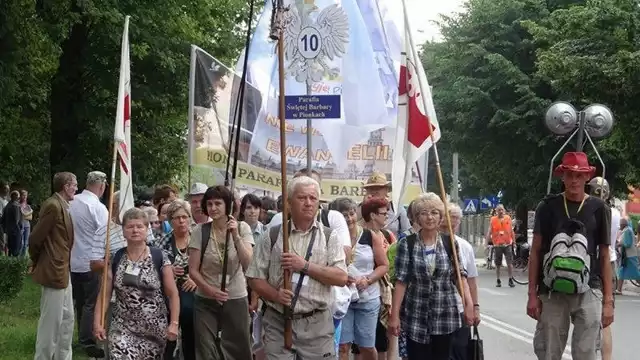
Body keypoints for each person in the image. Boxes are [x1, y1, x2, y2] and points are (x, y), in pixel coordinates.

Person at [247, 176, 348, 360]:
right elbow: (254, 277)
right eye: (302, 198)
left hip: (317, 324)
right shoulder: (273, 234)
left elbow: (341, 278)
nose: (308, 203)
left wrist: (305, 266)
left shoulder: (328, 236)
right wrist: (275, 295)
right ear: (289, 203)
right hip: (278, 320)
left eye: (313, 198)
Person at [528, 152, 613, 360]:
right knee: (549, 352)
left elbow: (604, 255)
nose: (574, 180)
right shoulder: (547, 207)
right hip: (552, 290)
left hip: (590, 288)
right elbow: (536, 251)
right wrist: (532, 294)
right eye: (569, 175)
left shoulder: (599, 208)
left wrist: (608, 301)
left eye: (579, 175)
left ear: (586, 178)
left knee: (587, 352)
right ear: (562, 177)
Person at [388, 192, 473, 360]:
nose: (429, 217)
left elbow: (460, 276)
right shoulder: (407, 244)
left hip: (445, 316)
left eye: (434, 212)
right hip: (416, 316)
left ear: (441, 216)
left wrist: (470, 304)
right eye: (424, 213)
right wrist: (394, 316)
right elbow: (401, 282)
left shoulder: (450, 243)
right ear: (417, 217)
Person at [93, 208, 180, 360]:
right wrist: (97, 323)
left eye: (140, 226)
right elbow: (104, 295)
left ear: (147, 229)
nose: (135, 230)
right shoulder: (116, 258)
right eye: (130, 226)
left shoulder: (159, 257)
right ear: (123, 231)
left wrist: (174, 323)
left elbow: (172, 294)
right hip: (122, 327)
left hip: (154, 330)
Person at [187, 185, 254, 360]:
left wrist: (235, 236)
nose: (213, 208)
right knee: (206, 349)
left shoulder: (242, 228)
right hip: (205, 300)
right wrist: (209, 290)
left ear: (228, 205)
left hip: (236, 297)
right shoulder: (200, 231)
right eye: (209, 204)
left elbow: (248, 264)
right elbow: (193, 270)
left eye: (218, 203)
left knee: (238, 348)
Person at [333, 197, 389, 360]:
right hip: (343, 299)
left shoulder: (369, 236)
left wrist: (368, 279)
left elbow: (384, 265)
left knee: (366, 346)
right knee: (343, 346)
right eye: (344, 215)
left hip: (368, 298)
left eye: (351, 214)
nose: (349, 219)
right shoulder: (331, 237)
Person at [30, 172, 78, 360]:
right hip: (53, 270)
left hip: (63, 270)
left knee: (67, 319)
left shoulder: (63, 206)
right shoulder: (53, 205)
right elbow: (35, 238)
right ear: (66, 186)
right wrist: (37, 260)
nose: (76, 188)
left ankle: (62, 357)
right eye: (74, 184)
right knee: (50, 323)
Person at [69, 171, 108, 358]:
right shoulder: (98, 208)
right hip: (92, 261)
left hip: (73, 259)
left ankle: (80, 336)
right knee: (91, 303)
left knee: (79, 301)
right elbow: (106, 235)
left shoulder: (71, 202)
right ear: (102, 186)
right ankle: (87, 340)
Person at [153, 200, 197, 360]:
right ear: (170, 221)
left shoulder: (198, 239)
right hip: (169, 298)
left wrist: (196, 279)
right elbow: (153, 269)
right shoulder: (161, 243)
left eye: (185, 217)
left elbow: (209, 265)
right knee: (168, 341)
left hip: (193, 297)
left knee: (191, 341)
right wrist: (168, 270)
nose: (181, 221)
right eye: (177, 217)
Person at [442, 203, 481, 360]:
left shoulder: (464, 246)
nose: (450, 227)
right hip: (438, 310)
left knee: (460, 352)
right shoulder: (432, 243)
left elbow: (471, 280)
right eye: (446, 224)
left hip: (460, 308)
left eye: (454, 223)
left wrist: (475, 307)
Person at [588, 176, 618, 360]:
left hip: (595, 263)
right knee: (605, 321)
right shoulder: (614, 213)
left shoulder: (593, 211)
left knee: (588, 317)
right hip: (611, 262)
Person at [357, 171, 410, 237]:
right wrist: (365, 208)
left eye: (379, 188)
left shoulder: (397, 209)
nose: (374, 191)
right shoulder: (359, 208)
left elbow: (407, 233)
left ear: (386, 190)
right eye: (370, 188)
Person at [487, 204, 515, 287]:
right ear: (496, 211)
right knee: (498, 264)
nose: (501, 211)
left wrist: (514, 242)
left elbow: (511, 231)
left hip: (507, 244)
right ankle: (498, 280)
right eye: (499, 210)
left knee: (509, 263)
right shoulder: (493, 220)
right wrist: (486, 244)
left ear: (504, 210)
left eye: (502, 209)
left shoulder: (508, 218)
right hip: (497, 245)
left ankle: (510, 279)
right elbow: (489, 232)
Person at [1, 190, 22, 256]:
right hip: (16, 230)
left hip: (8, 231)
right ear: (14, 196)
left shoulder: (7, 206)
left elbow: (2, 220)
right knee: (16, 250)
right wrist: (20, 227)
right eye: (18, 196)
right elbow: (17, 220)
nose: (18, 198)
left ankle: (9, 264)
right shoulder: (16, 206)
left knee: (10, 249)